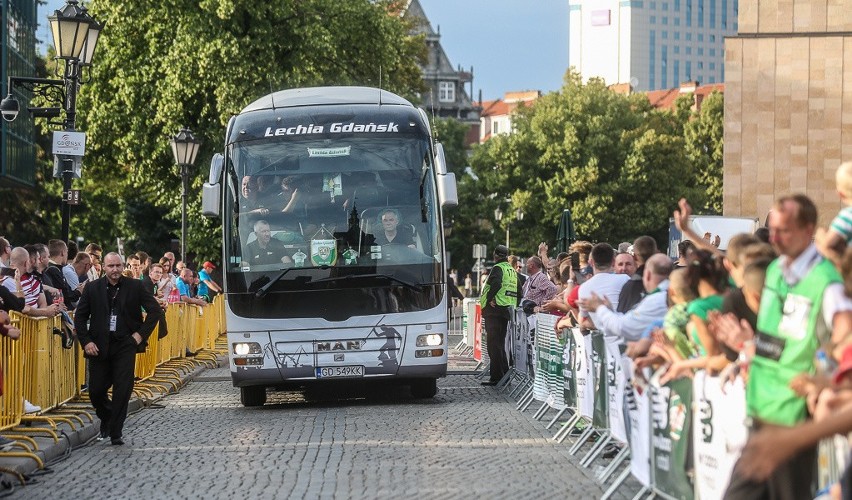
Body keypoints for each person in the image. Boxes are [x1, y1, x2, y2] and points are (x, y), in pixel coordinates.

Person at [725, 194, 852, 500]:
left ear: (809, 229)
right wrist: (748, 348)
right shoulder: (774, 271)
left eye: (785, 230)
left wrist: (825, 376)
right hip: (763, 408)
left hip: (793, 414)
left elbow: (844, 332)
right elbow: (777, 338)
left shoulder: (825, 280)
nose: (776, 237)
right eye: (774, 229)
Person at [74, 252, 163, 446]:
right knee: (96, 391)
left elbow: (155, 311)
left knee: (123, 389)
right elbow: (80, 317)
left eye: (118, 266)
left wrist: (139, 335)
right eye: (111, 266)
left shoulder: (135, 286)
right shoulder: (93, 288)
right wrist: (86, 341)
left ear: (123, 267)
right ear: (104, 268)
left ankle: (116, 432)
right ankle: (107, 416)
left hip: (125, 344)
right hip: (99, 346)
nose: (115, 270)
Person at [479, 245, 521, 386]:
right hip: (506, 311)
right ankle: (503, 375)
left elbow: (496, 283)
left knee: (493, 345)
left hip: (494, 311)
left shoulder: (498, 268)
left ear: (496, 255)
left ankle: (497, 377)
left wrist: (490, 297)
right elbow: (519, 291)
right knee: (499, 344)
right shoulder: (511, 270)